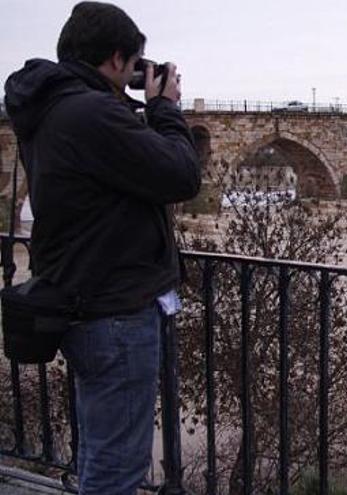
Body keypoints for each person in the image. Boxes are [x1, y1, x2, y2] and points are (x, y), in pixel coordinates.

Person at [3, 2, 200, 493]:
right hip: (115, 312)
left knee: (100, 450)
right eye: (134, 63)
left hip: (84, 301)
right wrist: (166, 110)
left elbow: (119, 179)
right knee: (117, 467)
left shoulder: (52, 108)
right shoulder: (91, 113)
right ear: (116, 59)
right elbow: (180, 175)